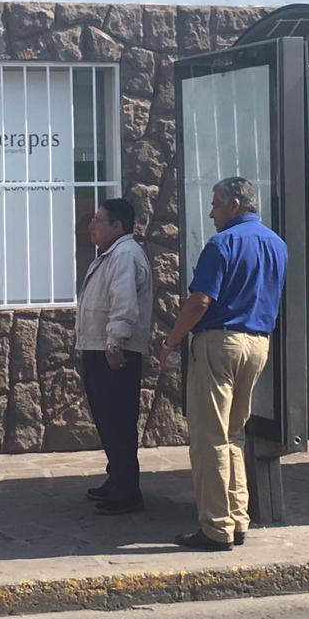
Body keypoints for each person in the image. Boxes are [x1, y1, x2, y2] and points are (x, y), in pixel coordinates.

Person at [158, 177, 287, 550]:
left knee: (209, 438)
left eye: (216, 203)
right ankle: (238, 518)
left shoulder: (222, 243)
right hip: (258, 343)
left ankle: (216, 527)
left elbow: (200, 301)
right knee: (234, 435)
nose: (211, 212)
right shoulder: (276, 244)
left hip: (220, 342)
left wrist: (171, 342)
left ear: (235, 204)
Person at [76, 197, 153, 515]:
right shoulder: (110, 255)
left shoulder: (124, 255)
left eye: (98, 220)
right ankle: (117, 477)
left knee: (118, 420)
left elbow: (123, 303)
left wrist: (114, 345)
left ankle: (126, 491)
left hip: (113, 352)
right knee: (107, 419)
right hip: (98, 346)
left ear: (118, 226)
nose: (92, 225)